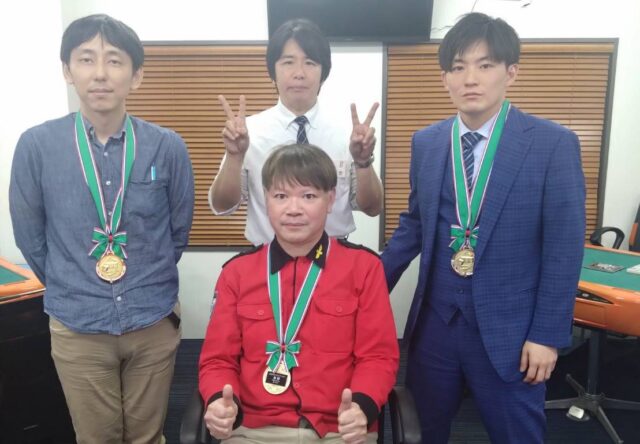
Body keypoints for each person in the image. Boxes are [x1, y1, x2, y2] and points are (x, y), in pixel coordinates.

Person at [381, 12, 585, 444]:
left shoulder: (552, 144)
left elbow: (564, 250)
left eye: (485, 65)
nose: (470, 78)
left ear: (511, 72)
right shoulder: (427, 142)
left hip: (513, 333)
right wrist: (363, 287)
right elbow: (414, 225)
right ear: (445, 78)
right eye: (458, 67)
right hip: (435, 327)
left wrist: (547, 336)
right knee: (420, 433)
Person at [9, 14, 194, 444]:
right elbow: (31, 238)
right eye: (86, 59)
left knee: (149, 437)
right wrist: (73, 281)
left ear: (136, 75)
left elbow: (177, 233)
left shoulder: (167, 147)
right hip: (78, 324)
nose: (100, 73)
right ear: (67, 70)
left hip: (151, 319)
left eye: (114, 60)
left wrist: (145, 275)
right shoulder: (36, 147)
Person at [199, 144, 398, 443]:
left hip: (339, 429)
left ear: (330, 200)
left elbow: (378, 357)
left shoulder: (364, 268)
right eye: (281, 196)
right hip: (254, 430)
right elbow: (218, 361)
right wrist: (219, 403)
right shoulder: (236, 274)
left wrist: (361, 407)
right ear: (265, 199)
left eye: (308, 196)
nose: (293, 209)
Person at [209, 18, 383, 246]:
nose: (299, 73)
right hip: (268, 256)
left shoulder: (347, 134)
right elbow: (222, 206)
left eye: (310, 63)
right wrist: (234, 157)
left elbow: (372, 208)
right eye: (288, 62)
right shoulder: (247, 133)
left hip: (333, 257)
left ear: (323, 73)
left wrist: (363, 162)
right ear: (272, 71)